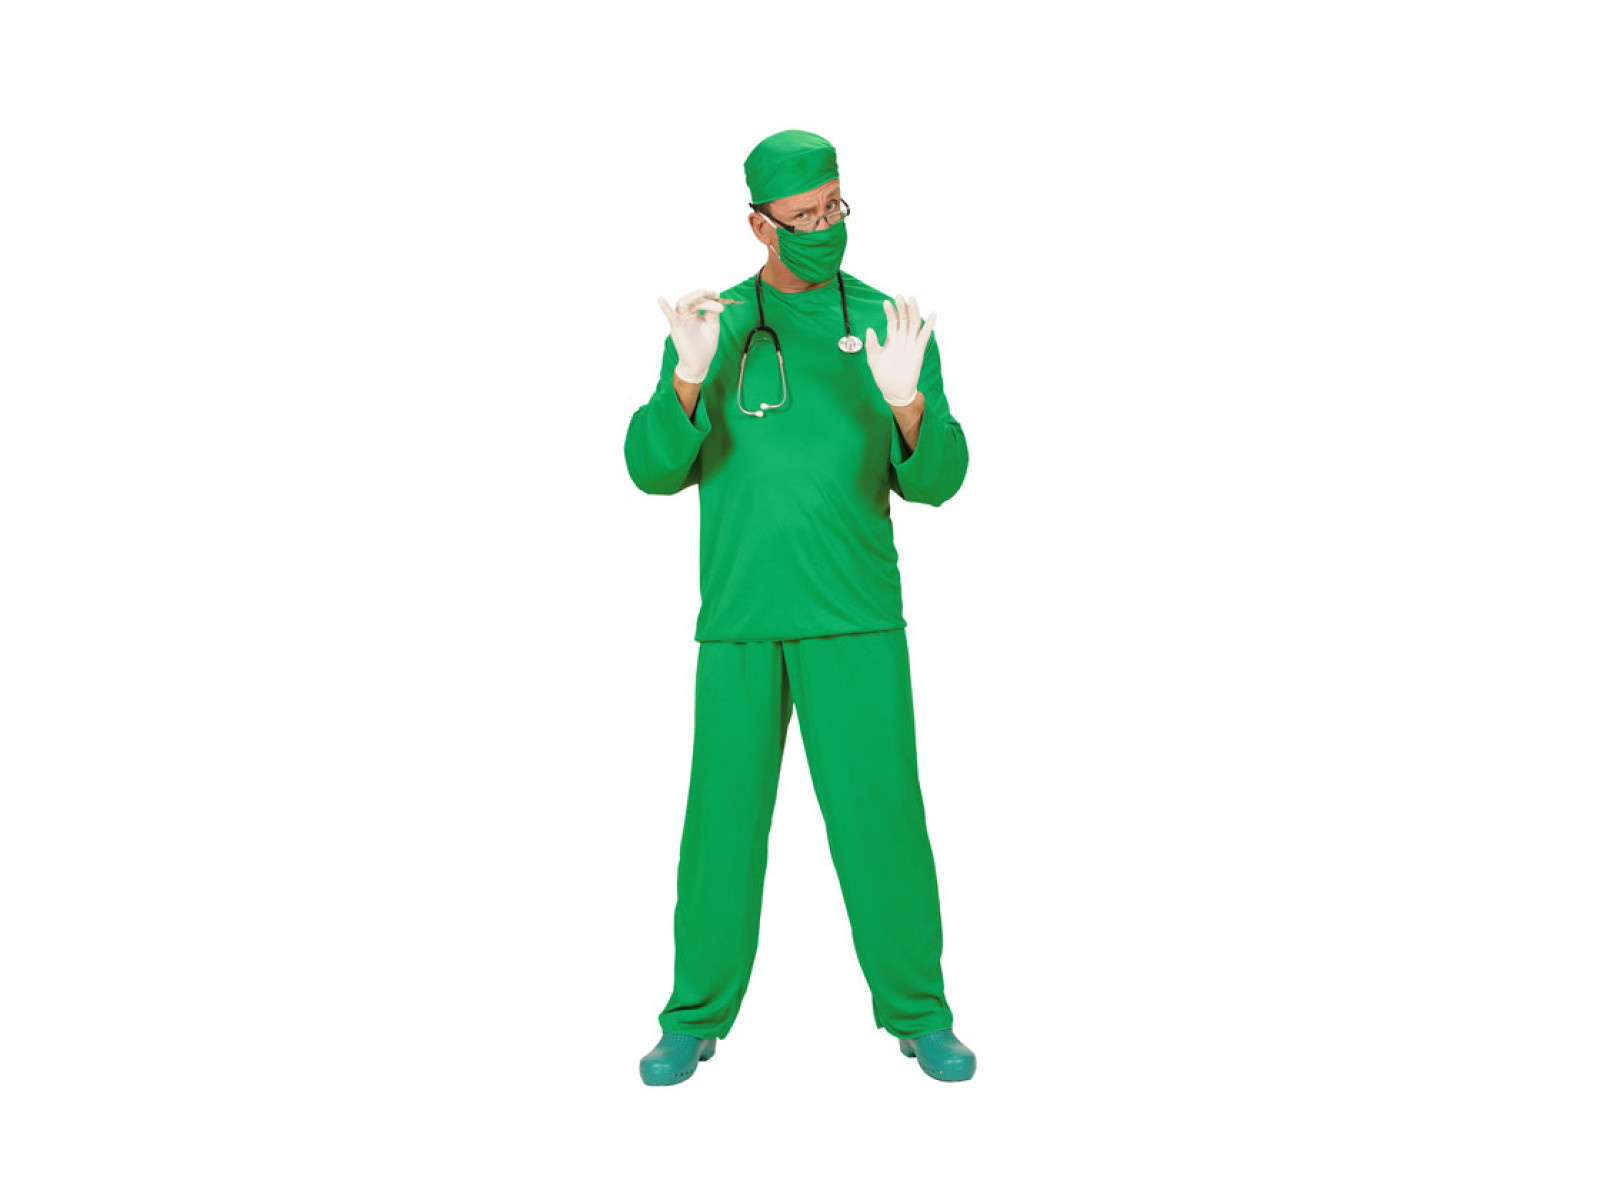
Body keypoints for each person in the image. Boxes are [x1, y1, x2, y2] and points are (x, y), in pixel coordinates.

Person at [625, 130, 976, 1086]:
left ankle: (920, 1012)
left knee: (882, 823)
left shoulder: (889, 325)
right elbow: (652, 469)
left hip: (854, 616)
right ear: (759, 224)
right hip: (742, 618)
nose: (824, 228)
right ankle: (692, 1017)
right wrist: (687, 376)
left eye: (834, 208)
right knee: (720, 832)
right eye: (803, 216)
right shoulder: (716, 324)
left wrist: (908, 406)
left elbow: (940, 481)